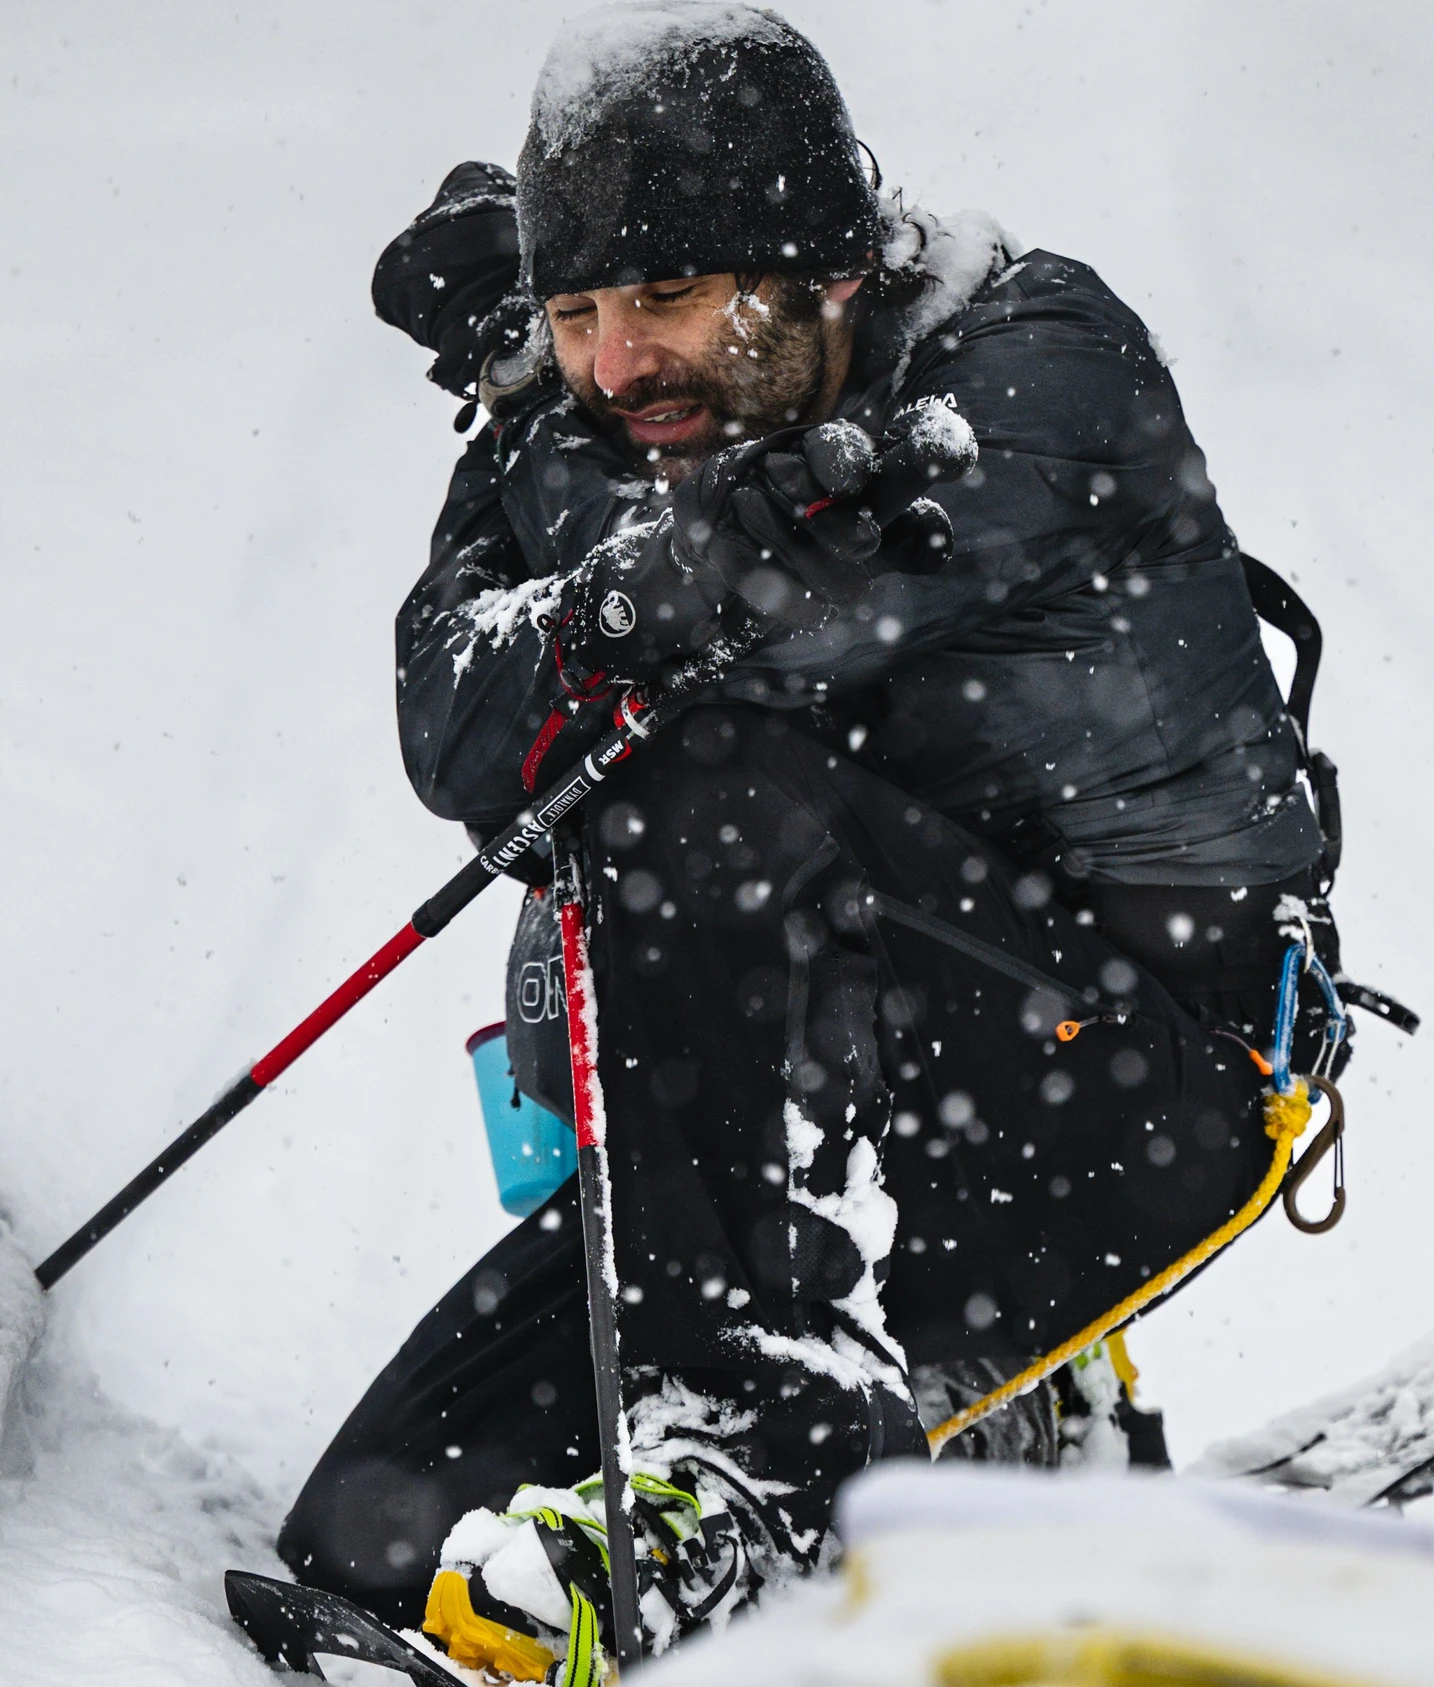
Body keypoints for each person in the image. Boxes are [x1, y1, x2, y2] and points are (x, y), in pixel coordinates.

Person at [276, 4, 1376, 1676]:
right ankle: (997, 1410)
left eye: (663, 299)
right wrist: (539, 412)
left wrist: (531, 414)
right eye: (575, 311)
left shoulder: (1026, 373)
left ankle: (749, 1442)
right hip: (899, 1060)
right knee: (371, 1532)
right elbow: (457, 719)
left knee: (681, 787)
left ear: (826, 268)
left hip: (1143, 1075)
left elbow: (747, 616)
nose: (617, 363)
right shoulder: (666, 427)